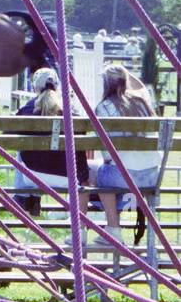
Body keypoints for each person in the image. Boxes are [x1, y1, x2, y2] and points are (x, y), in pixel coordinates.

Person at [85, 63, 160, 246]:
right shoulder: (142, 102)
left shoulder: (103, 108)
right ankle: (114, 226)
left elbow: (104, 153)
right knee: (108, 171)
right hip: (151, 176)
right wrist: (125, 73)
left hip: (125, 178)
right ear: (126, 82)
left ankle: (113, 228)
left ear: (105, 84)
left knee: (98, 173)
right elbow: (141, 87)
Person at [11, 68, 87, 216]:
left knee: (20, 153)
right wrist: (83, 176)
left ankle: (24, 200)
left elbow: (11, 137)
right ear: (57, 86)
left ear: (35, 87)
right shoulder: (72, 111)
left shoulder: (27, 110)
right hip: (69, 176)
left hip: (33, 176)